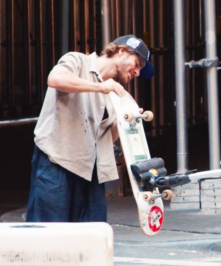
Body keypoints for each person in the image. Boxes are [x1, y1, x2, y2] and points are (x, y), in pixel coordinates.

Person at [26, 34, 154, 222]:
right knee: (48, 237)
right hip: (57, 164)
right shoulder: (78, 61)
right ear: (121, 51)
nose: (137, 73)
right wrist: (100, 87)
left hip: (90, 173)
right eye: (137, 64)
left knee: (90, 239)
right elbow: (55, 79)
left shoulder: (116, 95)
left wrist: (125, 120)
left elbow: (106, 139)